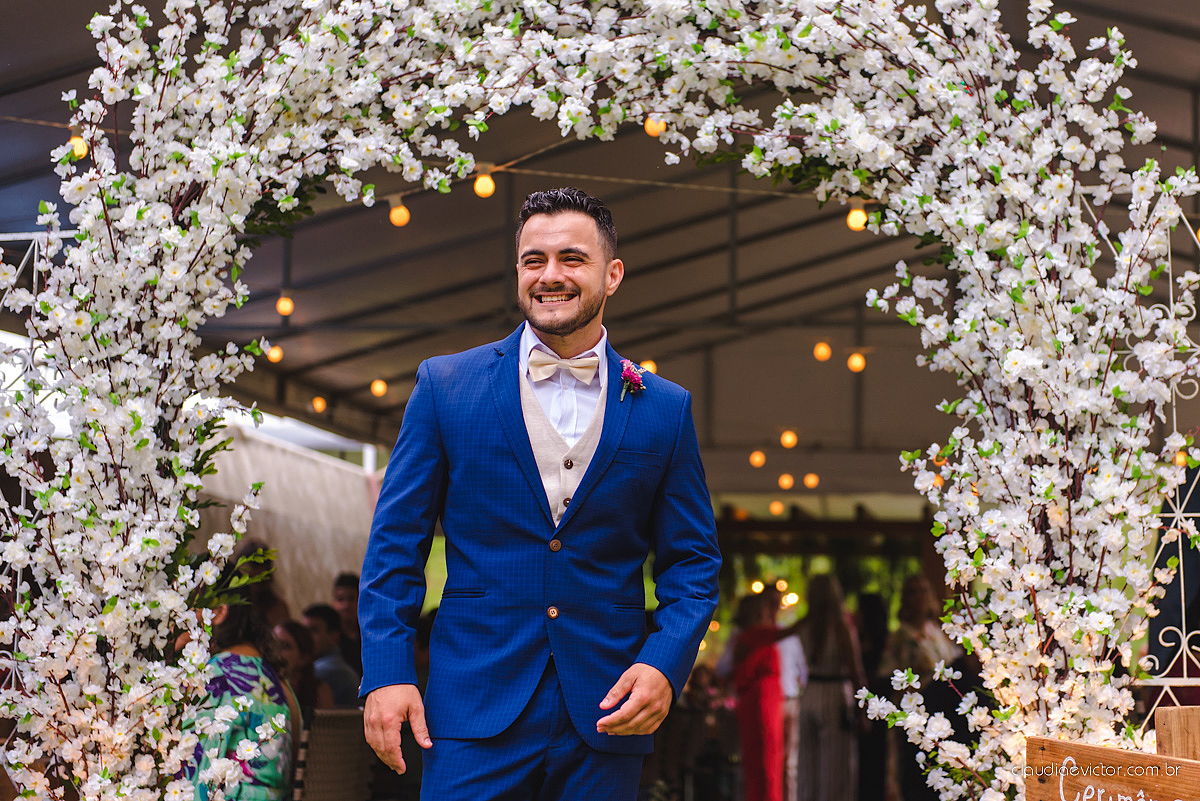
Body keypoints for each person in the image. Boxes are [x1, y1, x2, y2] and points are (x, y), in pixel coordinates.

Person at [359, 187, 722, 801]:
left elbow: (693, 563)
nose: (550, 276)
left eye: (572, 259)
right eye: (534, 260)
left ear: (613, 275)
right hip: (473, 708)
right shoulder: (446, 385)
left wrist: (666, 662)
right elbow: (396, 542)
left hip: (606, 711)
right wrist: (387, 673)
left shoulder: (664, 408)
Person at [186, 583, 299, 801]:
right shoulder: (277, 678)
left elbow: (194, 781)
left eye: (189, 609)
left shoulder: (217, 676)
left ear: (218, 612)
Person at [880, 576, 962, 801]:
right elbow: (886, 674)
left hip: (942, 710)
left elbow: (954, 663)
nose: (920, 597)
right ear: (907, 598)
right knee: (914, 771)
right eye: (914, 591)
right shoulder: (900, 636)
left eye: (924, 590)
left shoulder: (935, 631)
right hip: (915, 711)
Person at [795, 574, 866, 801]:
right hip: (835, 695)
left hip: (810, 695)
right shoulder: (841, 627)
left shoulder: (803, 625)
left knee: (808, 768)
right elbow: (855, 670)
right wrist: (863, 708)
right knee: (836, 772)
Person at [273, 619, 335, 723]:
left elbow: (326, 731)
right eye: (273, 644)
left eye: (285, 646)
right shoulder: (262, 685)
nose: (276, 651)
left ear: (304, 658)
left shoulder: (319, 691)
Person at [302, 603, 362, 708]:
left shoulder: (326, 670)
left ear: (334, 637)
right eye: (304, 631)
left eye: (314, 630)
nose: (306, 637)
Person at [331, 572, 364, 676]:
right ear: (333, 602)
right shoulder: (329, 637)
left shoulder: (369, 633)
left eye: (351, 599)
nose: (346, 605)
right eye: (340, 599)